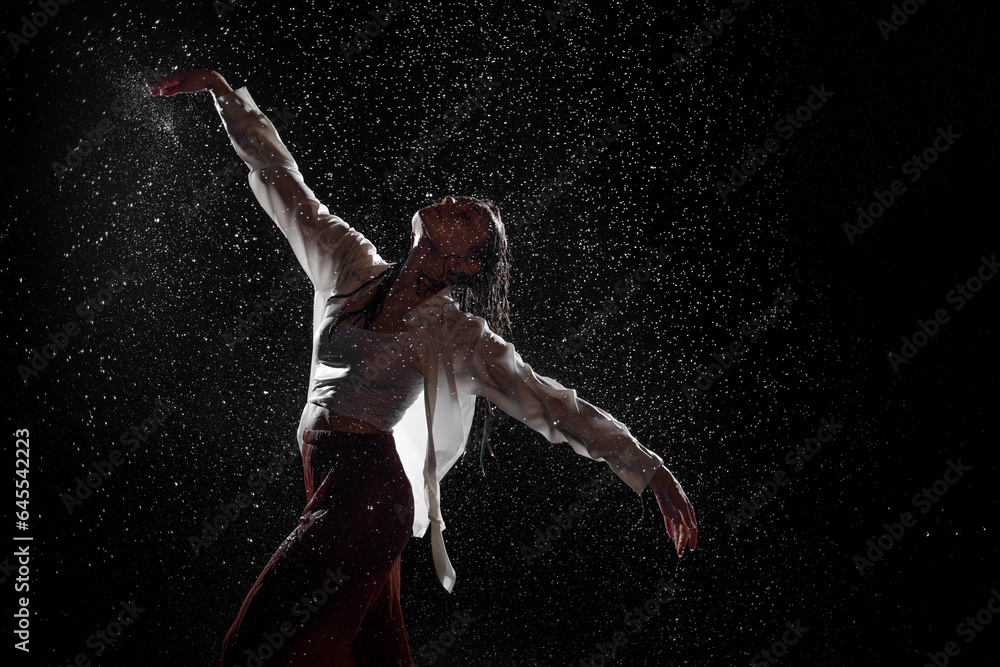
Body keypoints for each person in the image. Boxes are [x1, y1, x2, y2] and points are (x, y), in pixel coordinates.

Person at [149, 69, 698, 667]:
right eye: (463, 204)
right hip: (331, 480)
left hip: (368, 494)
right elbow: (286, 183)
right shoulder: (350, 261)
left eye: (468, 220)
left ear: (464, 265)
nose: (456, 202)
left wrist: (650, 470)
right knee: (373, 656)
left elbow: (554, 406)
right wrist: (224, 94)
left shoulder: (457, 336)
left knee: (252, 649)